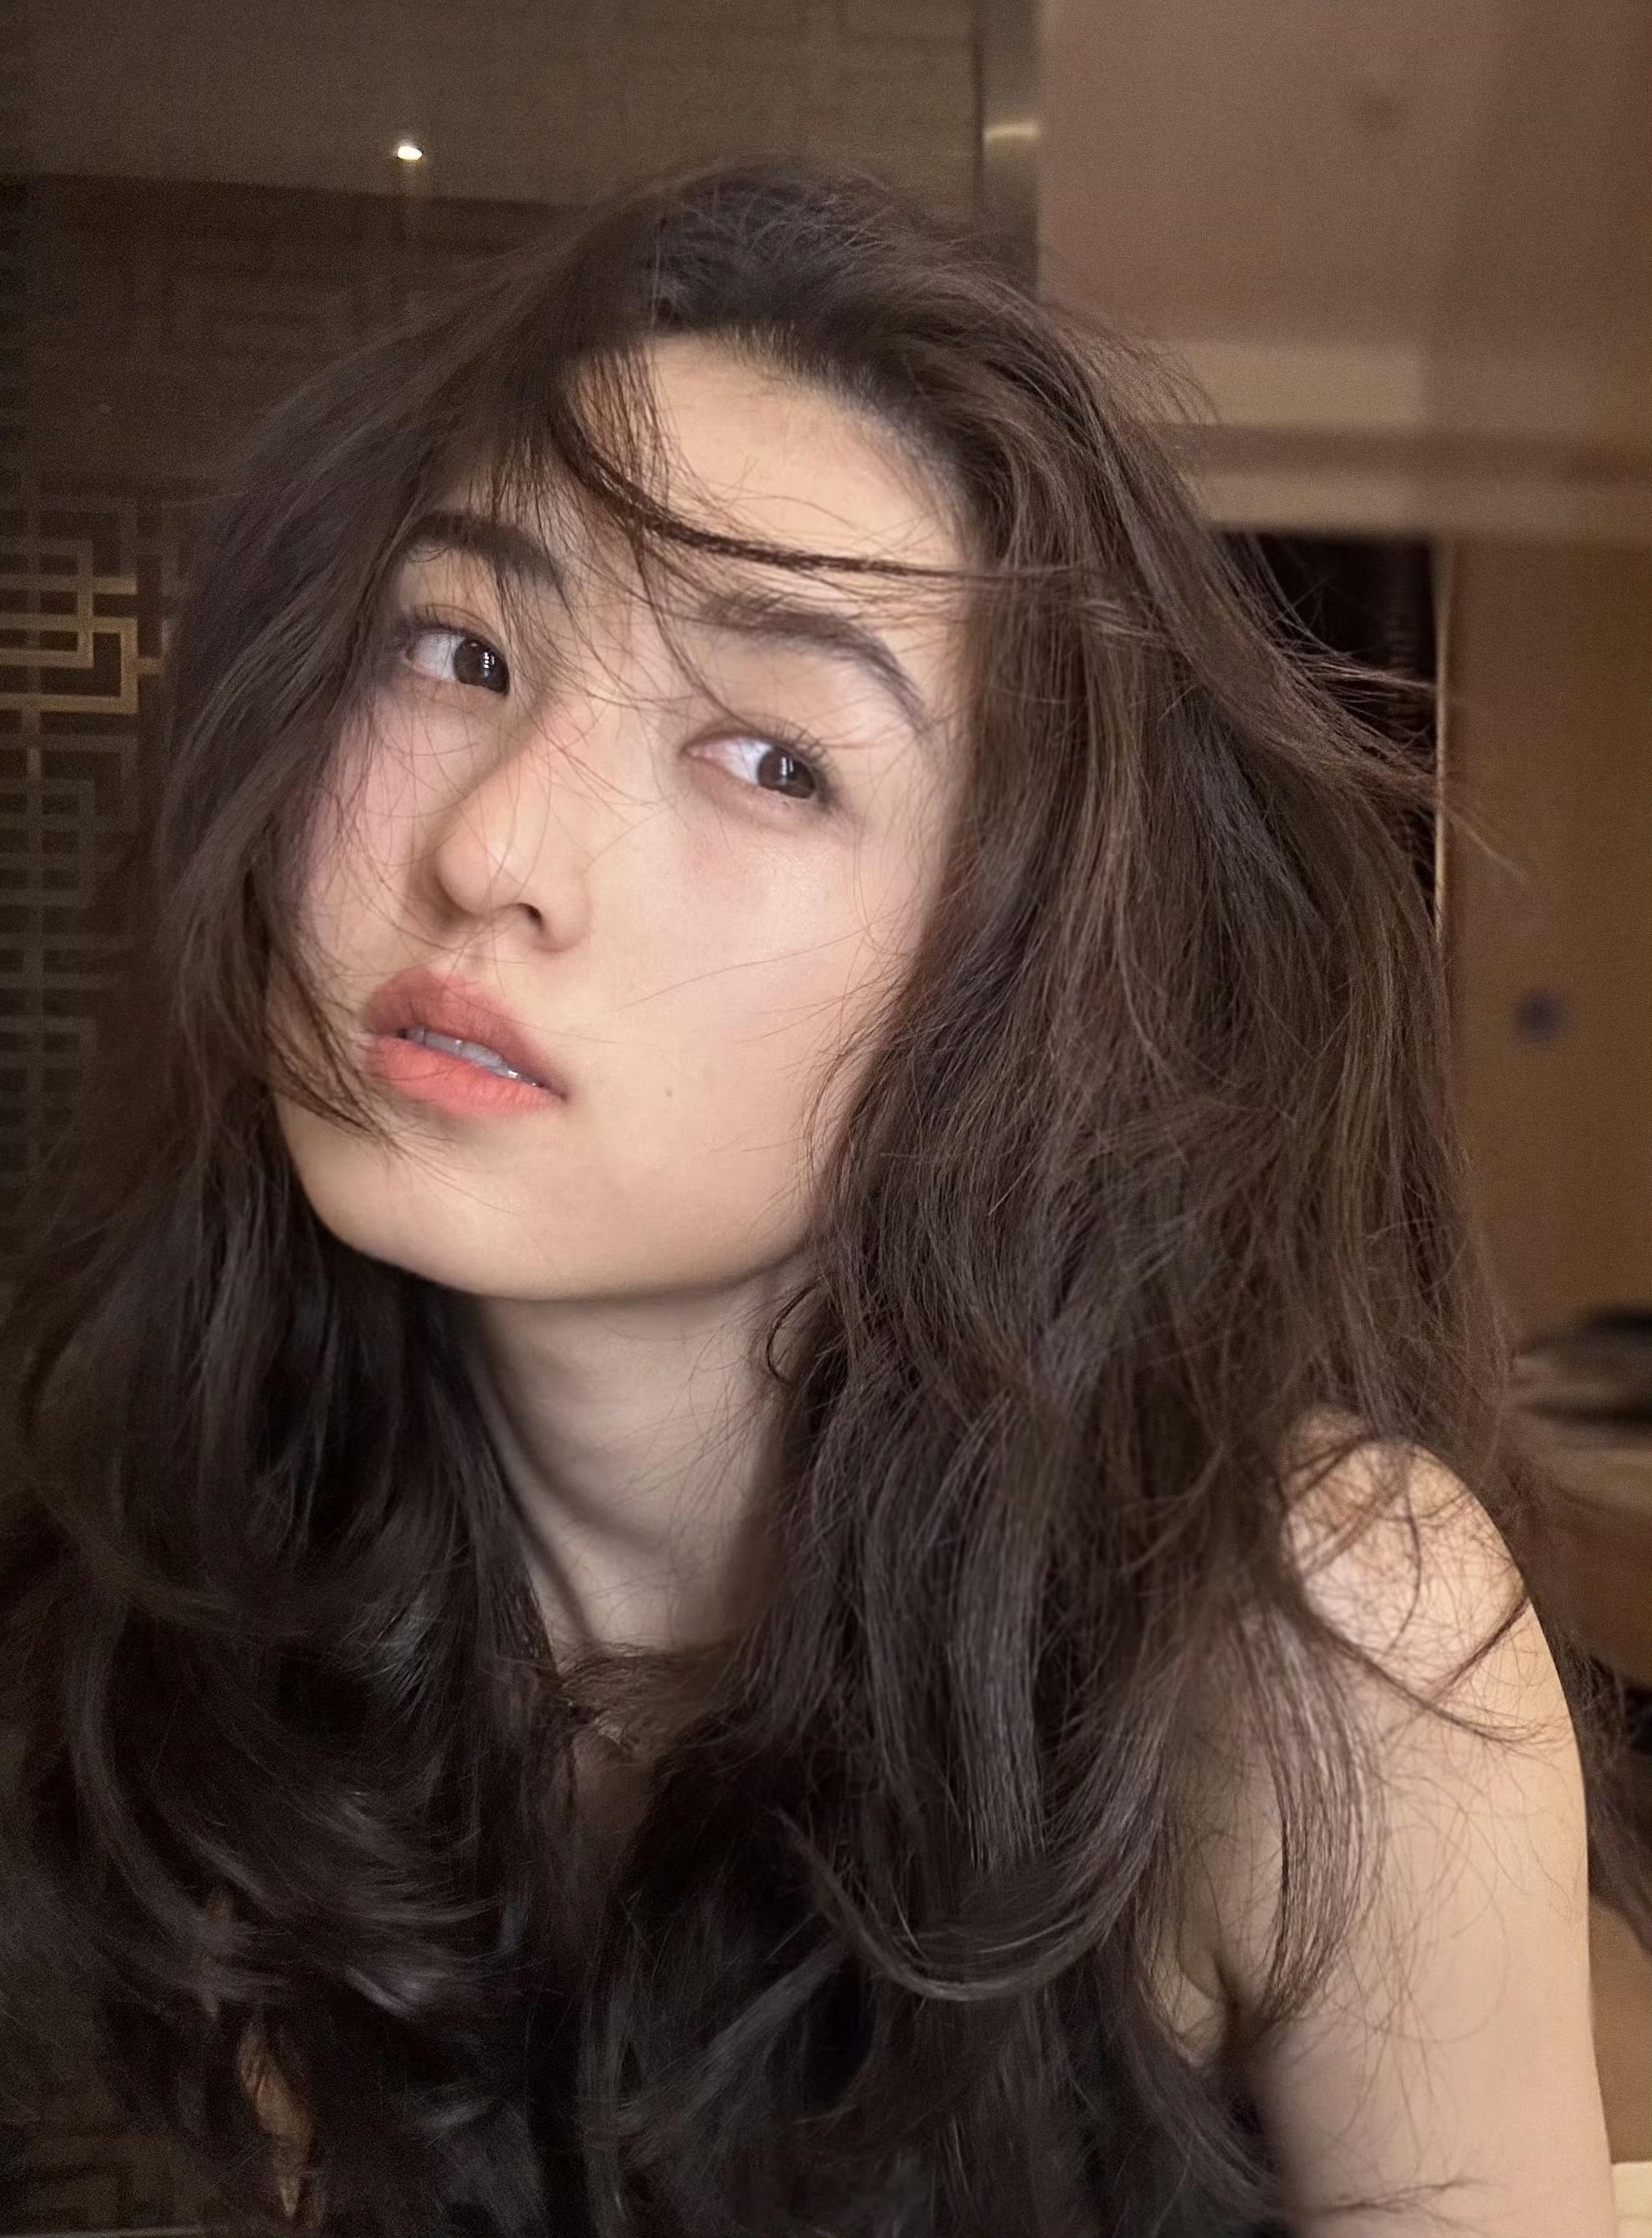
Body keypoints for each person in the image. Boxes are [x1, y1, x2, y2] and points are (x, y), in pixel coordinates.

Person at [0, 161, 1642, 2238]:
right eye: (457, 647)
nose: (495, 849)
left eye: (773, 759)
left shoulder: (1319, 1639)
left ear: (1005, 984)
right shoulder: (215, 1547)